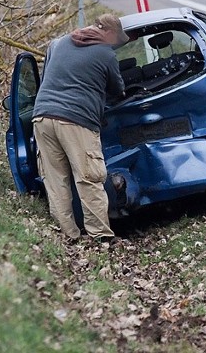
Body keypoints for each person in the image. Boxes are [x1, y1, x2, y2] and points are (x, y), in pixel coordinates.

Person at [32, 13, 129, 245]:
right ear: (107, 33)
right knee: (89, 177)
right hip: (76, 120)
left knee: (56, 180)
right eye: (116, 38)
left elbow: (47, 78)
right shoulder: (106, 54)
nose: (116, 43)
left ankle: (70, 236)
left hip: (42, 117)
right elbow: (118, 90)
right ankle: (100, 236)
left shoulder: (60, 42)